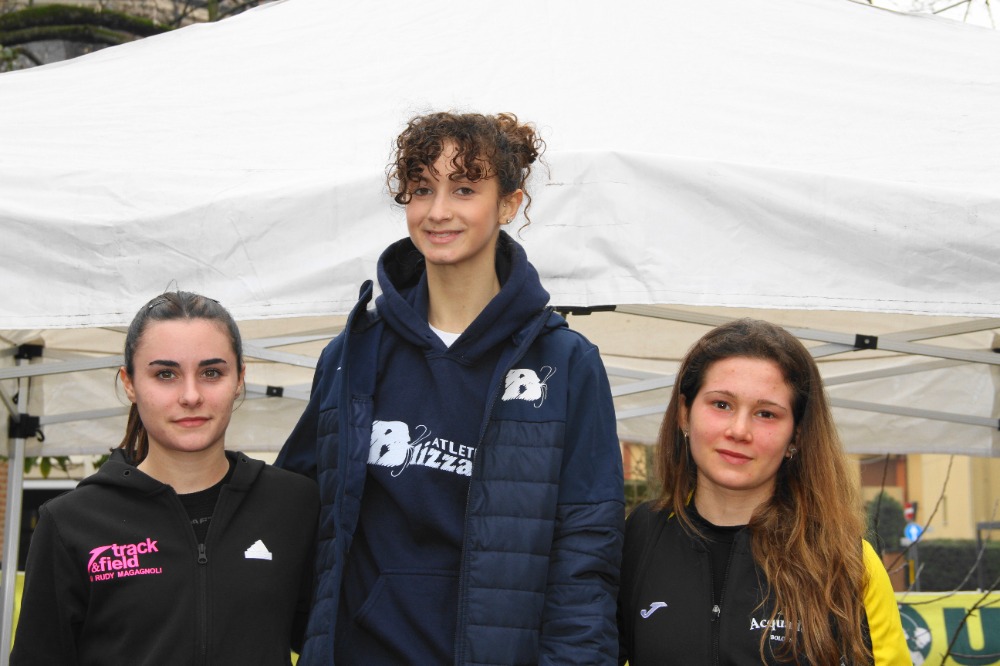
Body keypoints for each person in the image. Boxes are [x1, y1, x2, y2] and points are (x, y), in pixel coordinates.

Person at [276, 111, 624, 664]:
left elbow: (586, 550)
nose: (438, 211)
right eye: (421, 189)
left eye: (464, 189)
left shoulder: (566, 363)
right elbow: (297, 511)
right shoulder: (354, 353)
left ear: (509, 203)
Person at [12, 291, 320, 666]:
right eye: (165, 374)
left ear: (239, 379)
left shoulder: (294, 504)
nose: (191, 396)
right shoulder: (70, 522)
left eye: (211, 372)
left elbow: (329, 640)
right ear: (129, 383)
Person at [617, 318, 909, 666]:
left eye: (766, 414)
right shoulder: (636, 538)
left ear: (796, 435)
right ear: (684, 413)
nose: (739, 430)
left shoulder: (847, 562)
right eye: (721, 404)